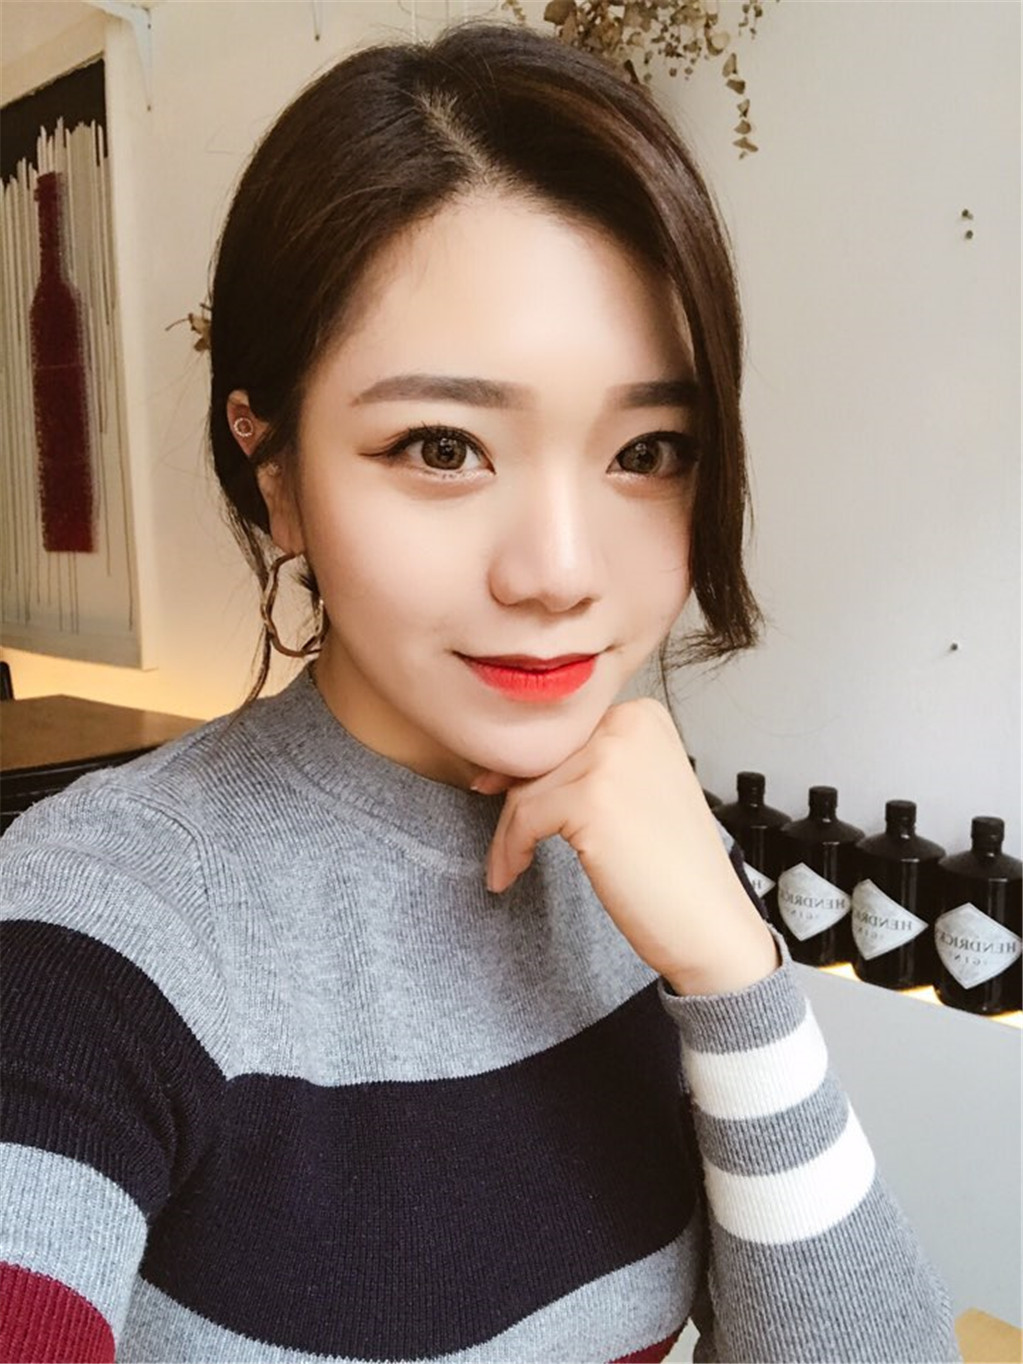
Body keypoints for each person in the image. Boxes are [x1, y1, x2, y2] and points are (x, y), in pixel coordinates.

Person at [0, 19, 959, 1364]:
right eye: (442, 446)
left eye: (648, 450)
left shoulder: (661, 854)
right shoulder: (98, 924)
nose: (560, 573)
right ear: (273, 469)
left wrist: (737, 976)